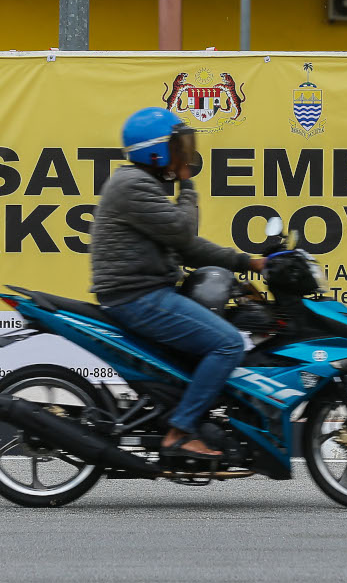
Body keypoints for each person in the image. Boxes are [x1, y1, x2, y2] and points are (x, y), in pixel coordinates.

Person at [90, 107, 264, 460]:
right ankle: (181, 431)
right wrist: (188, 183)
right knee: (228, 344)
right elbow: (185, 233)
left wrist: (248, 263)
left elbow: (188, 248)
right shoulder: (133, 185)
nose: (186, 154)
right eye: (178, 147)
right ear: (155, 152)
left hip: (145, 291)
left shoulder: (143, 186)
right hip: (138, 297)